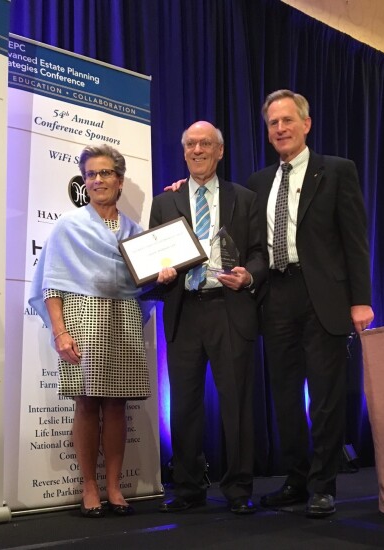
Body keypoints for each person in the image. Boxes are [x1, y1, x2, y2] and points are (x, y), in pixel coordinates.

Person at [246, 90, 374, 518]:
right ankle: (297, 478)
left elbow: (355, 241)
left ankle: (324, 483)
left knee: (324, 396)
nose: (279, 129)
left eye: (287, 120)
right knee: (284, 396)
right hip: (276, 296)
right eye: (272, 124)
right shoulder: (258, 182)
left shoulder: (337, 171)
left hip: (325, 296)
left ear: (306, 123)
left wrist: (361, 300)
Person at [29, 144, 153, 519]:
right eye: (91, 174)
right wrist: (60, 332)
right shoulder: (69, 225)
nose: (97, 180)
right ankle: (89, 487)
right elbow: (51, 284)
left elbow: (145, 281)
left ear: (119, 180)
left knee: (117, 405)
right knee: (86, 402)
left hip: (124, 318)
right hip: (82, 319)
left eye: (105, 173)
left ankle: (114, 487)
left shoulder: (135, 232)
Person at [150, 121, 266, 515]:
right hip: (184, 309)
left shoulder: (245, 199)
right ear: (184, 153)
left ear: (220, 151)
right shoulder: (165, 202)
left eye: (206, 144)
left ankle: (238, 489)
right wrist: (159, 272)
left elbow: (259, 253)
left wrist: (249, 275)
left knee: (236, 403)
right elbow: (153, 257)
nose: (198, 150)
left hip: (230, 308)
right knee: (182, 404)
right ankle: (187, 487)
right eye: (191, 144)